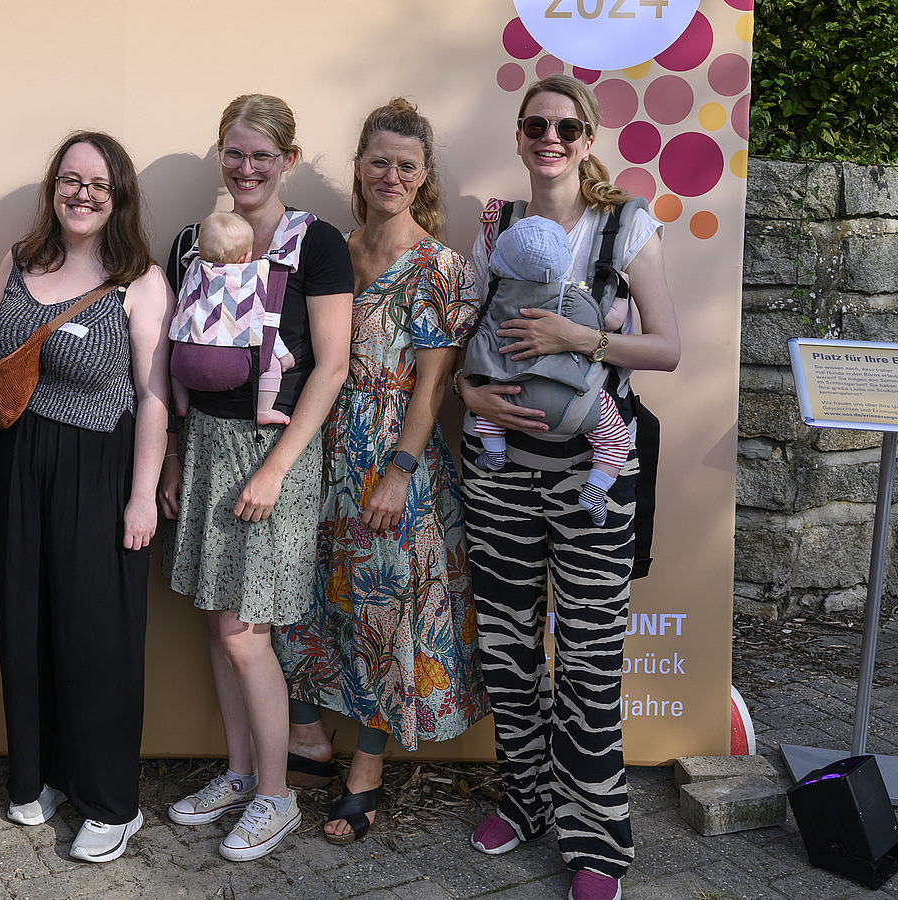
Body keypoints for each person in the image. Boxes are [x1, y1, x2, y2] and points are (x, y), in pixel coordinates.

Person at [457, 74, 680, 900]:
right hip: (503, 476)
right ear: (519, 138)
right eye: (534, 125)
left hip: (595, 478)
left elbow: (666, 348)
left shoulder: (626, 225)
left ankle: (597, 843)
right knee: (511, 654)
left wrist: (576, 336)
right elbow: (471, 342)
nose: (549, 137)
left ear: (587, 139)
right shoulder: (501, 228)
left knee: (588, 661)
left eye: (564, 126)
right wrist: (466, 397)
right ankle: (527, 799)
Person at [277, 98, 488, 844]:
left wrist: (398, 472)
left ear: (424, 174)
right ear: (359, 168)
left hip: (392, 462)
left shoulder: (442, 268)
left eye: (405, 165)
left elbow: (432, 386)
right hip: (315, 449)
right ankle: (306, 737)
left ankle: (364, 780)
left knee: (379, 619)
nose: (389, 176)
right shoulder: (327, 246)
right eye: (378, 162)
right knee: (293, 603)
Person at [158, 94, 352, 862]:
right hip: (205, 441)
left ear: (288, 162)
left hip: (278, 450)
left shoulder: (319, 244)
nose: (245, 168)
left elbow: (332, 367)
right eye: (234, 154)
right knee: (216, 618)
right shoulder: (190, 241)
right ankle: (239, 773)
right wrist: (174, 454)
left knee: (246, 632)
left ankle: (278, 796)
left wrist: (276, 467)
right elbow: (175, 349)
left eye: (261, 156)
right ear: (221, 155)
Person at [0, 131, 172, 864]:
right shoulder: (17, 263)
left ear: (118, 195)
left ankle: (112, 801)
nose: (83, 194)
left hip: (100, 469)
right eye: (70, 180)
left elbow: (155, 398)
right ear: (52, 189)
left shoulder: (139, 279)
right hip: (16, 468)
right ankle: (41, 773)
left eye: (98, 183)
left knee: (96, 639)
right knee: (25, 624)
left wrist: (142, 495)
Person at [465, 215, 633, 525]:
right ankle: (595, 489)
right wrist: (621, 290)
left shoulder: (496, 301)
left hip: (511, 401)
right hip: (575, 407)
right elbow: (611, 322)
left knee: (486, 413)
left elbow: (478, 345)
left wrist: (470, 380)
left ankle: (494, 452)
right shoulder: (576, 300)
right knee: (615, 440)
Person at [169, 210, 294, 425]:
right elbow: (265, 323)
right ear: (246, 256)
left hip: (184, 366)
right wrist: (283, 355)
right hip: (230, 368)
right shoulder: (249, 279)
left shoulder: (193, 270)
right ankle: (263, 411)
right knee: (271, 365)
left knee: (176, 356)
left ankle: (180, 404)